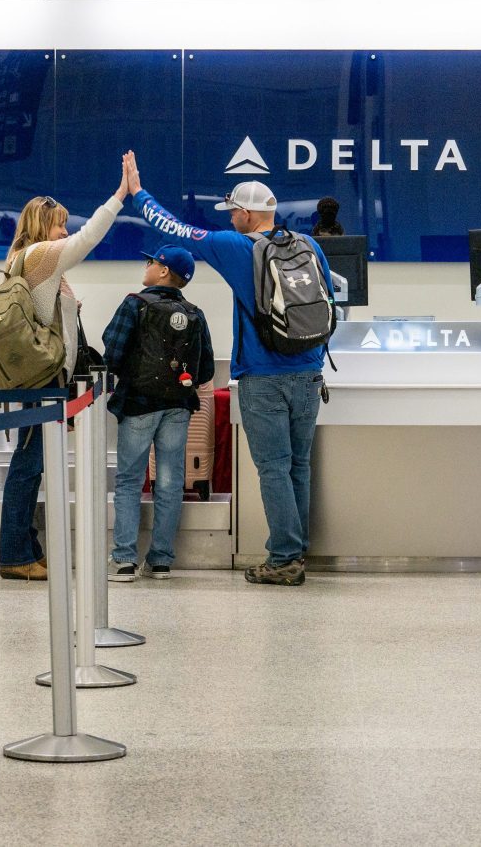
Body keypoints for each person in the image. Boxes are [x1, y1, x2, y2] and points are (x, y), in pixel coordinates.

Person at [122, 151, 331, 587]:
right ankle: (296, 550)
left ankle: (285, 558)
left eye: (234, 212)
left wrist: (138, 194)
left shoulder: (236, 248)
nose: (230, 218)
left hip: (263, 377)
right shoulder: (310, 246)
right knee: (298, 465)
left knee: (273, 467)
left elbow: (175, 229)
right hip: (310, 373)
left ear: (248, 213)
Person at [0, 168, 130, 581]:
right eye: (60, 225)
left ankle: (26, 550)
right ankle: (15, 555)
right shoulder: (39, 256)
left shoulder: (31, 260)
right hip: (43, 383)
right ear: (44, 225)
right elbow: (89, 237)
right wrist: (121, 194)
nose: (64, 233)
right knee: (27, 465)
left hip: (46, 382)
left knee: (31, 463)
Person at [101, 245, 215, 581]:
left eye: (150, 261)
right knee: (169, 483)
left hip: (138, 403)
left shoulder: (135, 303)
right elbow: (205, 368)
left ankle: (123, 560)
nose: (146, 265)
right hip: (178, 405)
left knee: (129, 481)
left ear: (163, 271)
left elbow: (113, 352)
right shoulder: (195, 313)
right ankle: (161, 560)